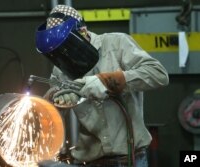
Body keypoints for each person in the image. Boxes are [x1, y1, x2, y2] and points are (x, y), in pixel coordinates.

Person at [35, 5, 169, 167]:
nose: (64, 54)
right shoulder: (61, 66)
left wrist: (108, 82)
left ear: (82, 31)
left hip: (129, 158)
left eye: (66, 47)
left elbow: (158, 74)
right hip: (89, 160)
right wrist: (55, 98)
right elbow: (50, 114)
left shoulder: (116, 44)